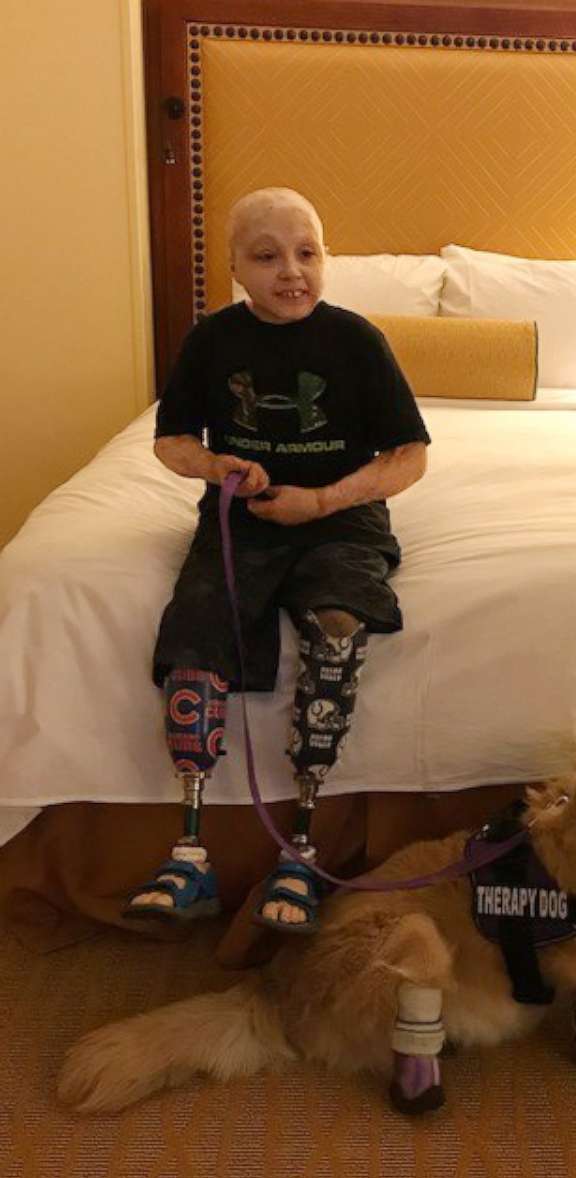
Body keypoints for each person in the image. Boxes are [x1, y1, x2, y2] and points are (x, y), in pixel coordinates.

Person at [123, 187, 430, 933]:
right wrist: (216, 464)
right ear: (233, 266)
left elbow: (410, 456)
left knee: (336, 627)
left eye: (308, 253)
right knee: (195, 634)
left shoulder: (357, 341)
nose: (291, 272)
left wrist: (321, 503)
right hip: (243, 521)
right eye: (266, 256)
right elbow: (169, 440)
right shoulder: (211, 340)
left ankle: (301, 847)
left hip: (344, 521)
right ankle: (191, 853)